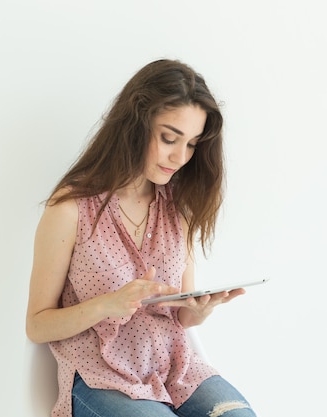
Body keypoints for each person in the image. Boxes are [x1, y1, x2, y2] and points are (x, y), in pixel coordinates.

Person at [25, 59, 257, 417]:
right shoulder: (70, 209)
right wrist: (108, 304)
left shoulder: (179, 208)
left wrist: (197, 312)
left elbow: (179, 317)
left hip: (176, 371)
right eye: (169, 138)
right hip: (101, 376)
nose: (180, 157)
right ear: (134, 125)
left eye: (192, 144)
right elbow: (38, 324)